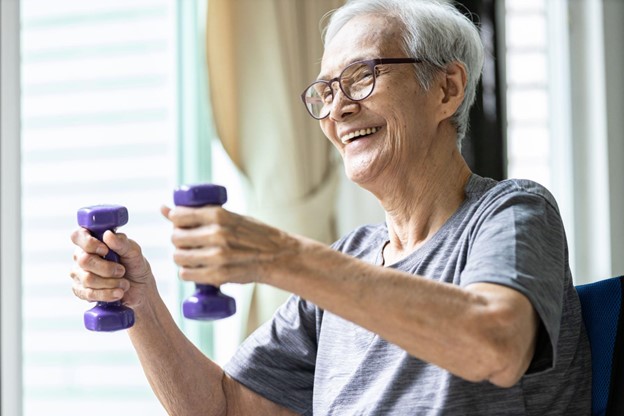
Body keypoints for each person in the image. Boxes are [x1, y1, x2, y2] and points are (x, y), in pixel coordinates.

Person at [70, 0, 591, 414]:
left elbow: (495, 345)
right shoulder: (350, 260)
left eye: (362, 75)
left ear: (447, 90)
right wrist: (142, 306)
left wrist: (283, 258)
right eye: (324, 90)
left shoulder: (511, 211)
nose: (338, 108)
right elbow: (226, 407)